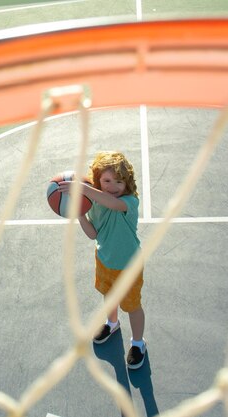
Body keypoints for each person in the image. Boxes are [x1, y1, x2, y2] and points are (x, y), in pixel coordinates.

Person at [59, 151, 146, 369]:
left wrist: (84, 189)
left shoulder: (129, 201)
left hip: (129, 266)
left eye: (119, 181)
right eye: (106, 181)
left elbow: (111, 202)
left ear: (128, 183)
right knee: (109, 296)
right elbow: (92, 234)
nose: (113, 186)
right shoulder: (95, 205)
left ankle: (138, 343)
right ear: (98, 180)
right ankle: (112, 323)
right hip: (104, 259)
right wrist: (78, 212)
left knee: (132, 306)